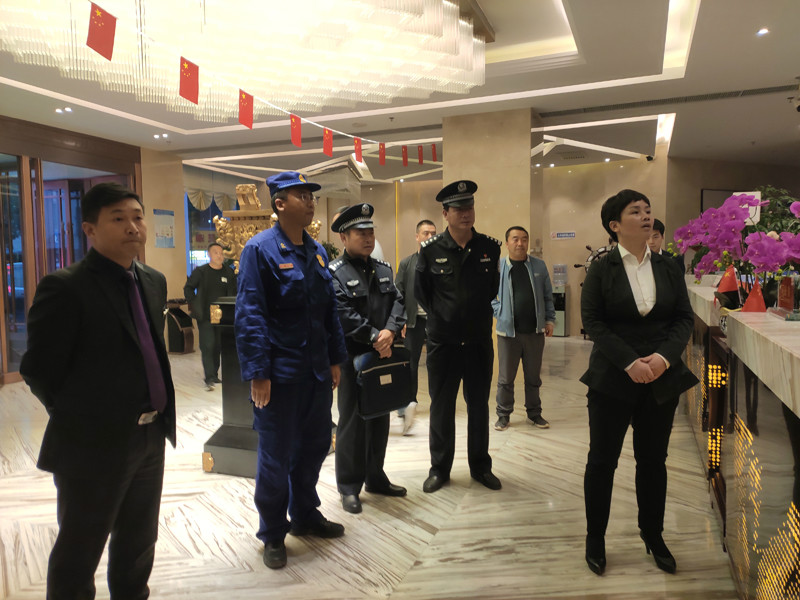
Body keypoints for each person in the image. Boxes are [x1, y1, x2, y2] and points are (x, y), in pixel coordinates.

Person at [20, 182, 176, 599]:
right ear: (90, 229)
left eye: (138, 217)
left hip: (151, 435)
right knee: (80, 549)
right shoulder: (66, 287)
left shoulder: (153, 280)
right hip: (92, 443)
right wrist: (83, 418)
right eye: (118, 219)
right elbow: (38, 370)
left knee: (139, 543)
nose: (133, 227)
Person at [580, 189, 698, 576]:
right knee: (602, 461)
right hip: (612, 379)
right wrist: (629, 362)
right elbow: (594, 322)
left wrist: (664, 358)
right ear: (615, 225)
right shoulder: (602, 269)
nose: (646, 216)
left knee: (653, 461)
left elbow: (683, 318)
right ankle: (595, 537)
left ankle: (653, 534)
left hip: (661, 379)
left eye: (648, 210)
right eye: (636, 211)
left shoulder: (668, 267)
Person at [235, 171, 347, 570]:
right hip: (280, 376)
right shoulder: (259, 249)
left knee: (314, 447)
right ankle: (272, 532)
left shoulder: (316, 251)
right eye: (302, 196)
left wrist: (335, 359)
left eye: (312, 196)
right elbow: (250, 314)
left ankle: (304, 514)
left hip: (315, 374)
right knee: (275, 457)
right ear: (279, 203)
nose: (310, 202)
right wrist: (258, 372)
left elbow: (329, 312)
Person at [415, 180, 502, 493]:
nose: (466, 213)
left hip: (478, 342)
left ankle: (480, 467)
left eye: (469, 207)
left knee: (478, 406)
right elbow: (422, 293)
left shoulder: (490, 248)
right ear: (445, 213)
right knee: (441, 407)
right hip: (443, 344)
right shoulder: (430, 250)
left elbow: (491, 289)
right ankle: (439, 469)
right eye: (458, 209)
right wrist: (446, 316)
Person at [329, 203, 407, 514]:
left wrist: (390, 331)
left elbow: (398, 303)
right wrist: (376, 336)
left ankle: (376, 477)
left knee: (380, 416)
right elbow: (341, 313)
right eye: (360, 233)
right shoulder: (335, 272)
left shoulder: (383, 269)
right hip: (353, 357)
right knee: (352, 422)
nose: (367, 237)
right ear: (344, 238)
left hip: (382, 353)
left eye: (370, 232)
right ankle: (349, 486)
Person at [492, 226, 555, 431]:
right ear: (507, 243)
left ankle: (534, 414)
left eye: (524, 239)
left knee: (533, 377)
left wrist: (549, 320)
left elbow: (547, 295)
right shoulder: (499, 267)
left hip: (534, 333)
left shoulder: (538, 266)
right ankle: (503, 414)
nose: (520, 243)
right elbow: (489, 295)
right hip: (508, 334)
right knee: (505, 378)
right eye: (515, 239)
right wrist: (500, 311)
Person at [395, 219, 437, 435]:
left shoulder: (441, 262)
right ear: (417, 236)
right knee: (410, 364)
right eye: (426, 233)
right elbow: (398, 293)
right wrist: (400, 320)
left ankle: (437, 401)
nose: (430, 237)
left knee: (436, 363)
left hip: (436, 321)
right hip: (413, 321)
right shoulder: (407, 263)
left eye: (433, 233)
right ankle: (408, 401)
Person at [184, 242, 237, 390]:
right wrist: (194, 303)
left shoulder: (228, 272)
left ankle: (214, 374)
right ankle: (209, 377)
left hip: (222, 315)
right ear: (209, 254)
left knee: (218, 346)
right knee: (208, 345)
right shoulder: (201, 272)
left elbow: (234, 291)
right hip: (205, 315)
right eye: (216, 253)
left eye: (221, 253)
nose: (219, 256)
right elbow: (188, 288)